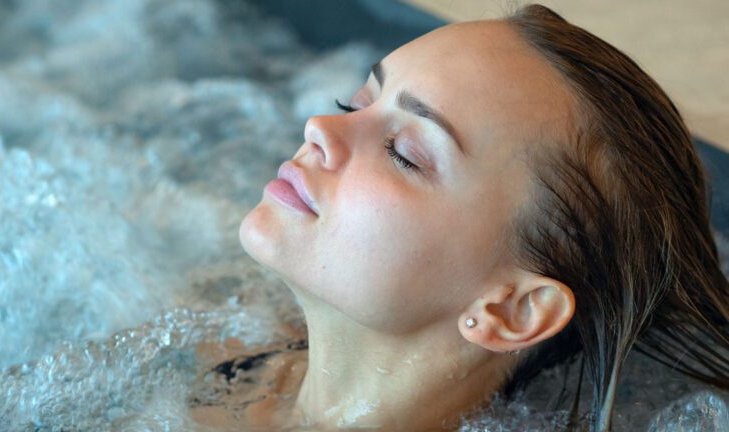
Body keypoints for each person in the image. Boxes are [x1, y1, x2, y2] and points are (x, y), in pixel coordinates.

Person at [198, 4, 729, 431]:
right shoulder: (230, 352)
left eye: (404, 152)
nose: (320, 127)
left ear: (514, 309)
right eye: (355, 103)